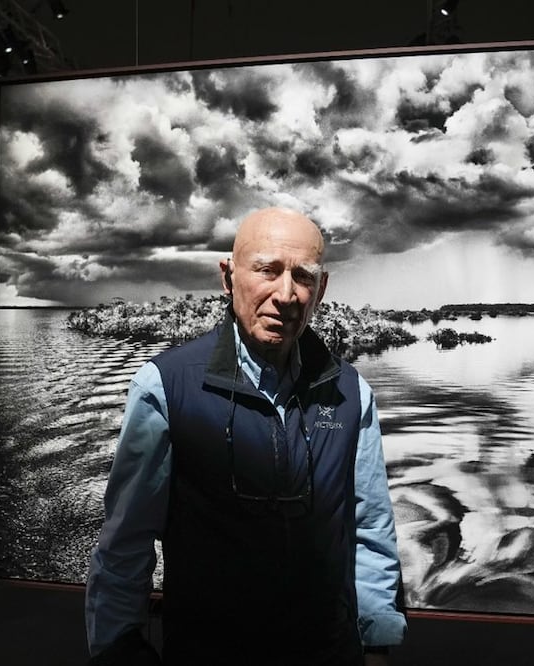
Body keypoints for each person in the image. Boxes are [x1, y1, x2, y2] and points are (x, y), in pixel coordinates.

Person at [85, 207, 407, 665]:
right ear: (227, 276)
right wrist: (119, 651)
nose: (286, 294)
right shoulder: (167, 387)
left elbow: (371, 530)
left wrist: (376, 646)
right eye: (267, 270)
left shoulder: (351, 394)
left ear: (322, 289)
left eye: (303, 276)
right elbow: (125, 543)